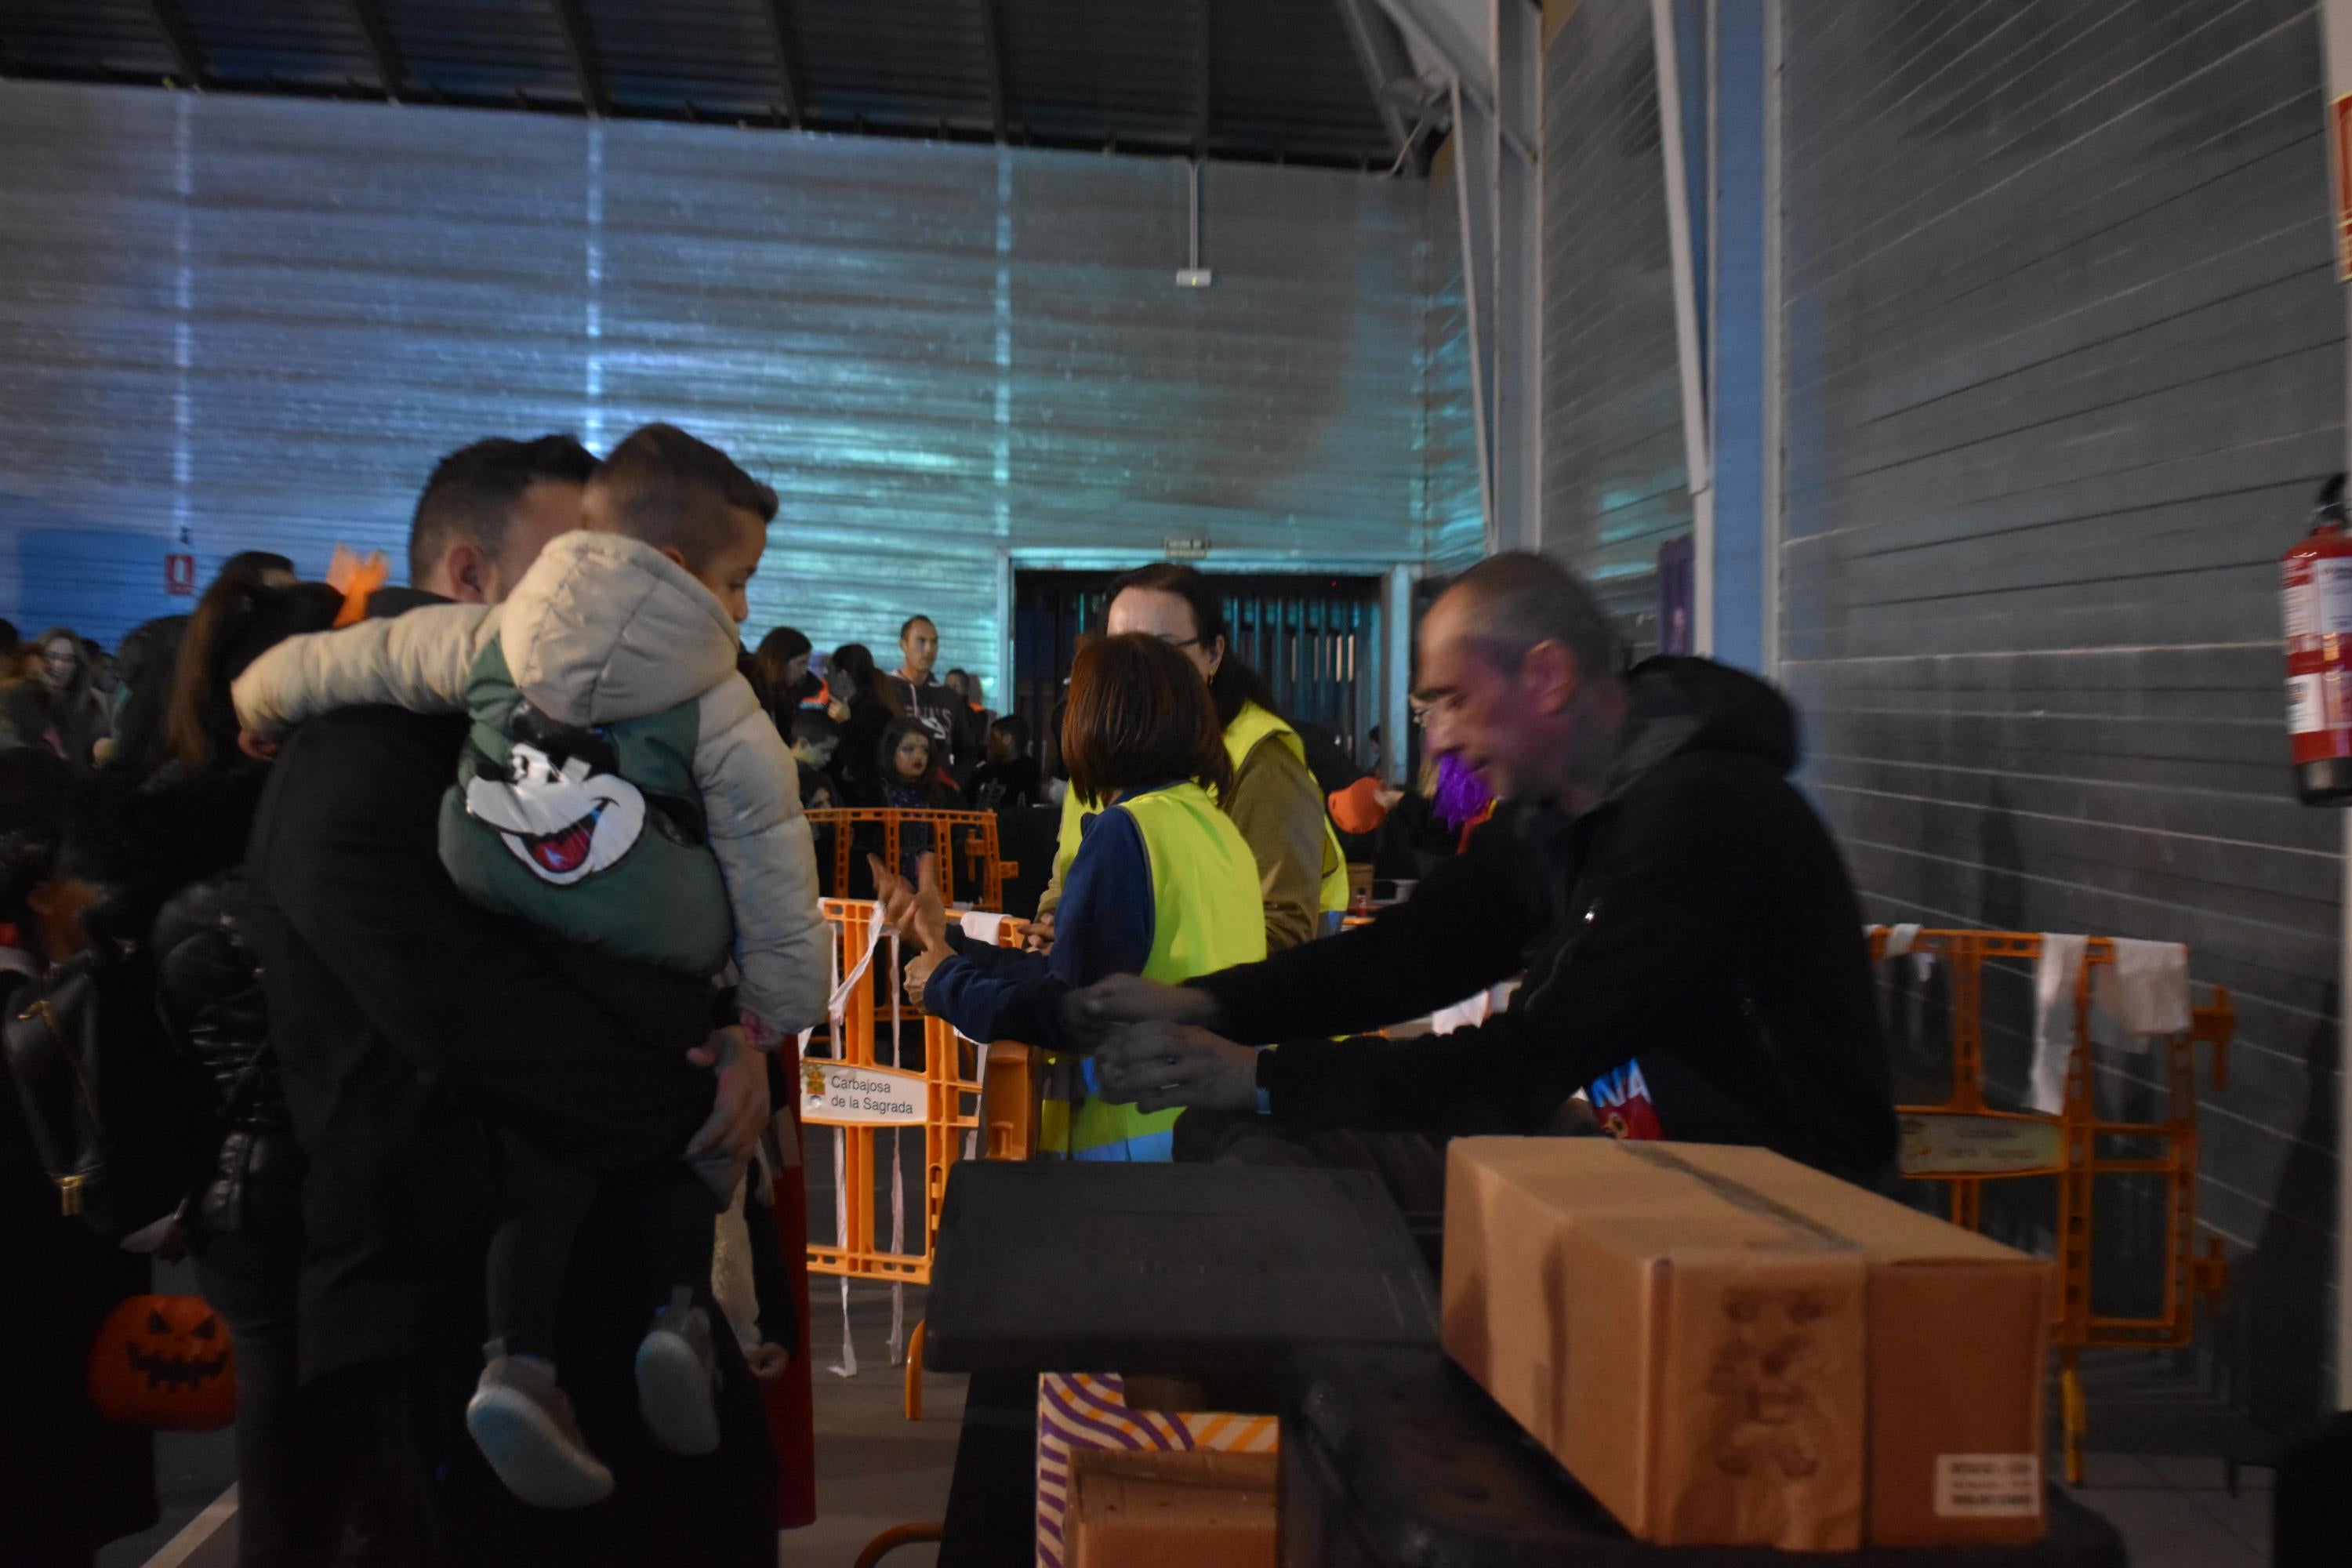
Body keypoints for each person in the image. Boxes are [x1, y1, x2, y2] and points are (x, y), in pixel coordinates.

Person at [234, 423, 823, 1508]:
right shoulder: (358, 770)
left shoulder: (631, 720)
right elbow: (484, 1028)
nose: (613, 592)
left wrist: (750, 1031)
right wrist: (711, 1085)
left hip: (612, 1300)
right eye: (579, 558)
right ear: (474, 576)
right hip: (445, 1328)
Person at [1079, 551, 1899, 1189]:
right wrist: (1207, 1000)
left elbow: (1524, 1063)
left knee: (1273, 1152)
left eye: (1451, 700)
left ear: (1545, 677)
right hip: (1656, 1162)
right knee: (1237, 1137)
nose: (1436, 739)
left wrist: (1259, 1072)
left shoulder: (1699, 817)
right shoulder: (1561, 807)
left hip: (1782, 1201)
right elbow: (1413, 952)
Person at [136, 573, 350, 1568]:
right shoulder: (327, 838)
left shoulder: (163, 832)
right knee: (343, 1448)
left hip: (226, 1184)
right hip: (330, 1175)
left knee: (280, 1441)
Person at [877, 634, 1265, 1160]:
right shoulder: (1216, 829)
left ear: (1097, 720)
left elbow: (1074, 1011)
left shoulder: (1126, 831)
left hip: (1125, 1140)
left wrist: (948, 982)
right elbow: (1081, 976)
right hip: (1206, 1131)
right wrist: (946, 942)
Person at [0, 750, 162, 1568]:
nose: (106, 897)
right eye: (86, 874)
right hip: (43, 1356)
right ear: (36, 891)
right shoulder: (52, 1011)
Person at [1036, 565, 1346, 953]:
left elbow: (1281, 933)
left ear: (1213, 653)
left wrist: (1129, 964)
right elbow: (1065, 878)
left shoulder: (1261, 760)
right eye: (1120, 649)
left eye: (1161, 649)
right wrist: (1049, 928)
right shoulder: (1099, 751)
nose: (1135, 672)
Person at [887, 615, 976, 781]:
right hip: (892, 794)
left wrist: (956, 782)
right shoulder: (886, 690)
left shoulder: (949, 698)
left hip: (937, 796)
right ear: (903, 645)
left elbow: (966, 750)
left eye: (934, 642)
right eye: (921, 641)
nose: (929, 650)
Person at [825, 642, 895, 806]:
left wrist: (845, 724)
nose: (826, 679)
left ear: (842, 675)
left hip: (861, 804)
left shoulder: (875, 713)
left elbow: (863, 765)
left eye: (829, 672)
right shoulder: (877, 707)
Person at [33, 627, 110, 770]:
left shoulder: (92, 704)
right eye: (52, 656)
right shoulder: (20, 702)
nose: (60, 666)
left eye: (69, 659)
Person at [965, 713, 1040, 811]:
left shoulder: (1027, 771)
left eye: (993, 738)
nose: (990, 743)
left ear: (1007, 740)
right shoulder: (985, 769)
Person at [788, 711, 841, 811]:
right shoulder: (820, 780)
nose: (828, 758)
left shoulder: (774, 773)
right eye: (824, 751)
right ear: (803, 743)